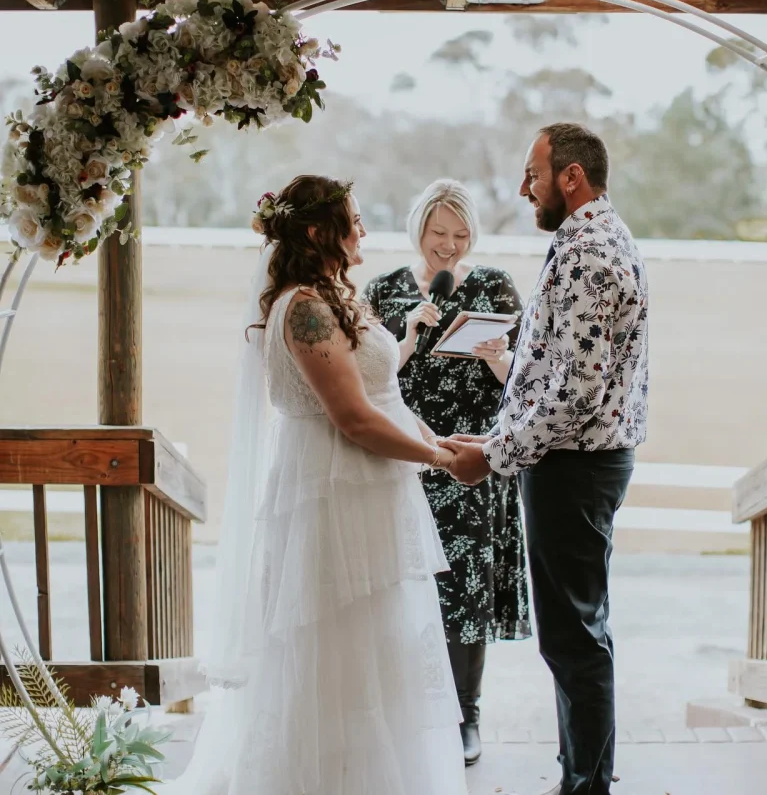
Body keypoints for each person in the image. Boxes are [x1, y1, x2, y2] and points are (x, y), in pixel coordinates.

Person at [167, 175, 467, 795]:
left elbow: (384, 396)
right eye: (352, 219)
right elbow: (354, 419)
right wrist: (440, 464)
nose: (362, 230)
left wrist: (439, 441)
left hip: (372, 496)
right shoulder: (303, 308)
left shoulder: (334, 298)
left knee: (376, 652)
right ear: (314, 232)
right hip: (332, 498)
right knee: (333, 649)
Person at [442, 125, 650, 795]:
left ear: (571, 177)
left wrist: (494, 455)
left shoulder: (588, 251)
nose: (522, 187)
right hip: (574, 463)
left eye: (533, 173)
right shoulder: (594, 239)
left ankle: (585, 787)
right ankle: (582, 776)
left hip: (574, 468)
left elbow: (578, 391)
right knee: (578, 635)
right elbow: (557, 372)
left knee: (574, 641)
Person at [363, 179, 531, 766]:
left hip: (471, 460)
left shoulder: (494, 287)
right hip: (404, 453)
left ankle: (467, 714)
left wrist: (499, 359)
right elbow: (367, 382)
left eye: (461, 236)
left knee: (466, 590)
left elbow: (527, 384)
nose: (449, 246)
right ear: (419, 230)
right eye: (439, 233)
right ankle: (408, 709)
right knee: (402, 585)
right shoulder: (382, 291)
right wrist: (408, 336)